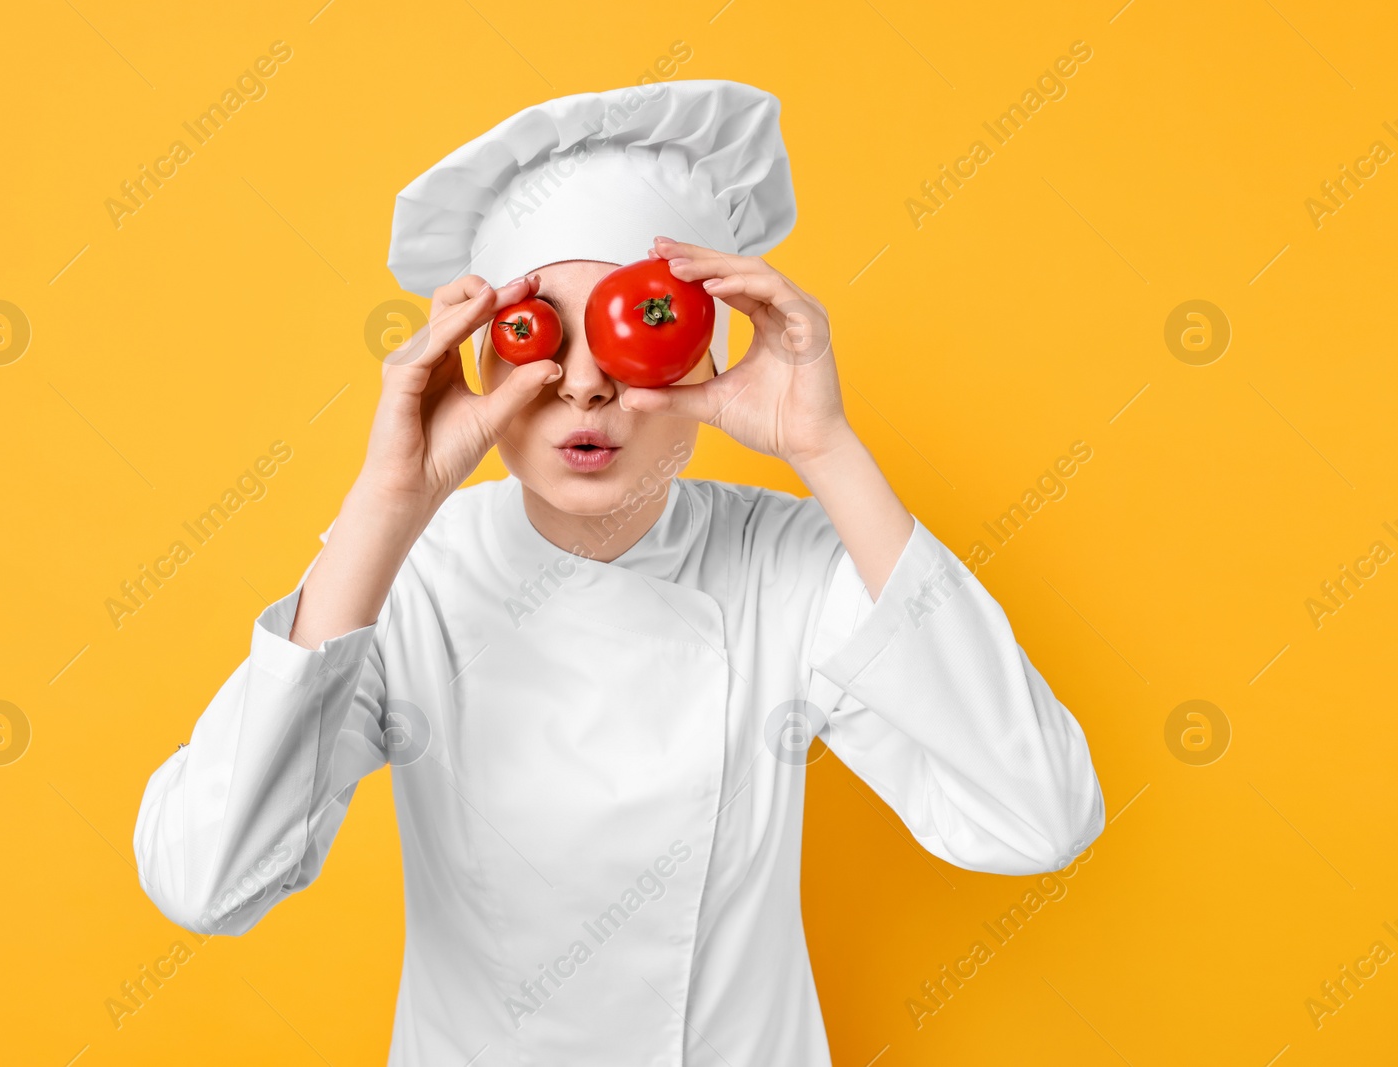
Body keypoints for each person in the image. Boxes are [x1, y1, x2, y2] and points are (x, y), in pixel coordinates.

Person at [133, 79, 1105, 1066]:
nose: (587, 381)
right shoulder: (406, 576)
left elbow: (1037, 814)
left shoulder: (792, 565)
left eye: (635, 326)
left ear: (707, 353)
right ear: (480, 359)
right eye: (540, 331)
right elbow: (208, 879)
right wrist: (388, 502)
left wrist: (826, 446)